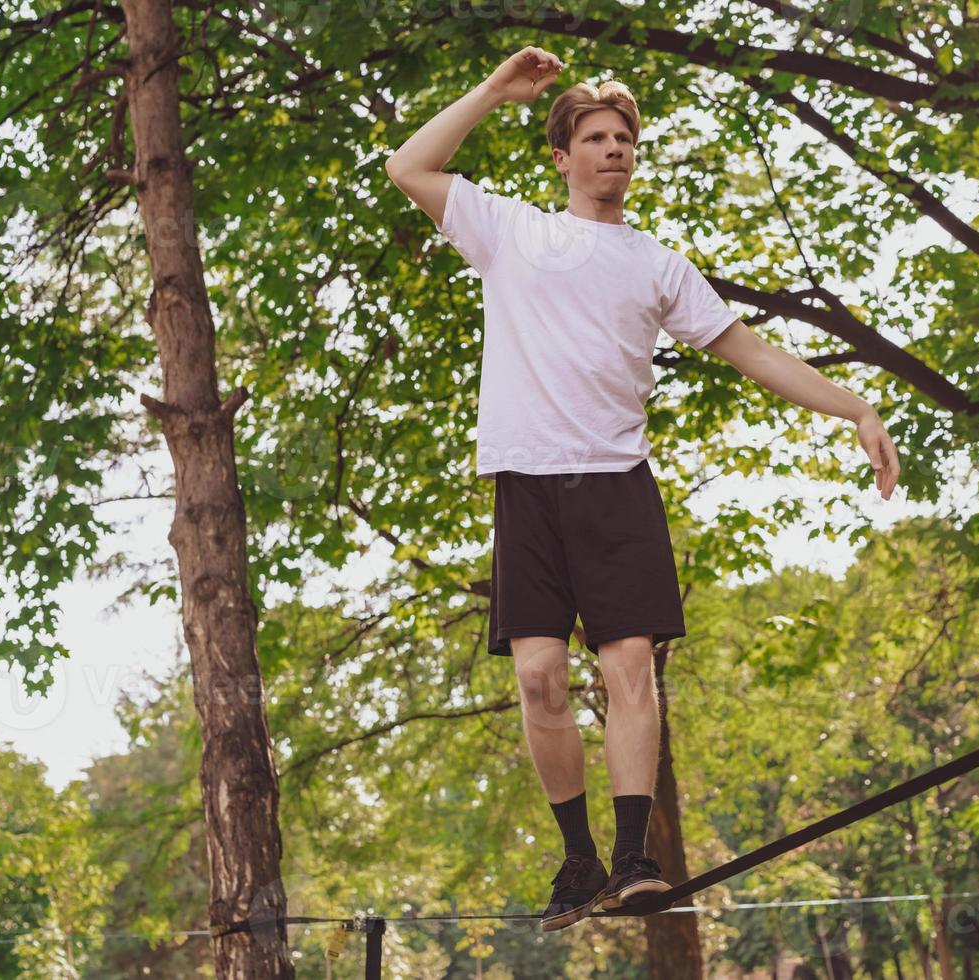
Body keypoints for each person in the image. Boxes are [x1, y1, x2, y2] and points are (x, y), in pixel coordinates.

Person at [384, 46, 900, 932]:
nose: (614, 149)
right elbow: (408, 166)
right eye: (595, 136)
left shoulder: (658, 265)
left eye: (624, 137)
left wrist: (855, 408)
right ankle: (577, 859)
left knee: (629, 672)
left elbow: (754, 352)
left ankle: (634, 858)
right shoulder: (511, 230)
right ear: (562, 157)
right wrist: (495, 91)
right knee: (541, 680)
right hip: (528, 488)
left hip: (615, 486)